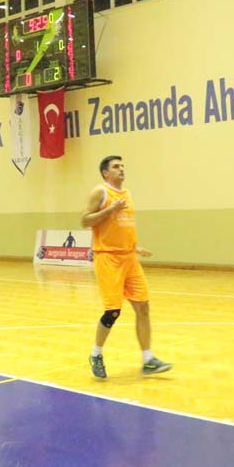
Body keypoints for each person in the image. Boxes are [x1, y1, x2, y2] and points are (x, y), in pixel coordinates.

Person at [81, 155, 171, 379]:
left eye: (122, 166)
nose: (121, 169)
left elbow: (122, 227)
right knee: (113, 311)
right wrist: (109, 210)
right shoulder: (100, 192)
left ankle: (148, 359)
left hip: (129, 258)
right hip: (108, 258)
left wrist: (134, 247)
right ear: (105, 173)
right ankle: (96, 354)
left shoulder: (127, 194)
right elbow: (85, 220)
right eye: (116, 166)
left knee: (143, 307)